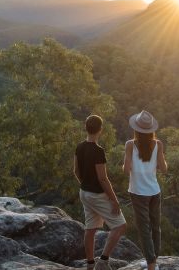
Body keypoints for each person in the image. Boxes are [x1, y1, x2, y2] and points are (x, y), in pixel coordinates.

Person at [74, 114, 127, 270]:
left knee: (90, 229)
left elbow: (76, 171)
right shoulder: (98, 151)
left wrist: (85, 184)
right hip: (97, 195)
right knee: (120, 226)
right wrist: (114, 200)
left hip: (84, 193)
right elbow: (103, 179)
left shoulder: (79, 146)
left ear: (86, 128)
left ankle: (90, 264)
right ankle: (103, 262)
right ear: (100, 130)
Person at [122, 110, 168, 270]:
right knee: (155, 226)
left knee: (144, 228)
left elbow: (126, 170)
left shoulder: (130, 145)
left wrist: (130, 162)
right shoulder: (158, 144)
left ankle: (151, 264)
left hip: (138, 192)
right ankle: (154, 259)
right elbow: (164, 169)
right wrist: (156, 161)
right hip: (154, 190)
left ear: (136, 129)